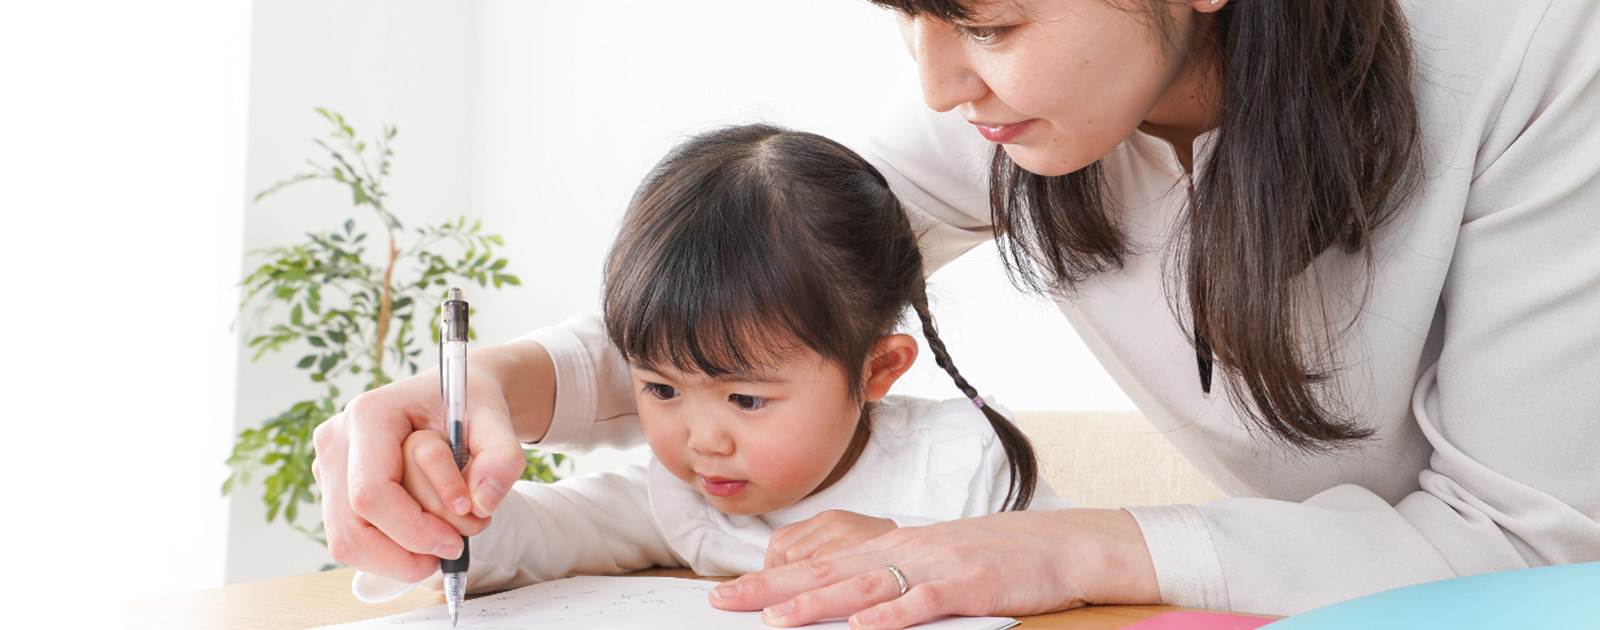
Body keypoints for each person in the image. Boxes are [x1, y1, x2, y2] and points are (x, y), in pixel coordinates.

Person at [311, 0, 1600, 628]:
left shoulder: (1536, 52)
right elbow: (768, 292)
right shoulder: (1019, 109)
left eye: (986, 18)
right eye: (910, 14)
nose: (935, 82)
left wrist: (1068, 548)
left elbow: (1536, 544)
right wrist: (500, 389)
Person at [340, 123, 1072, 602]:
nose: (701, 440)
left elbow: (1077, 577)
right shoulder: (686, 495)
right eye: (660, 388)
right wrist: (438, 505)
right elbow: (545, 532)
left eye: (746, 399)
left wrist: (914, 545)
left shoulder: (962, 463)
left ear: (877, 370)